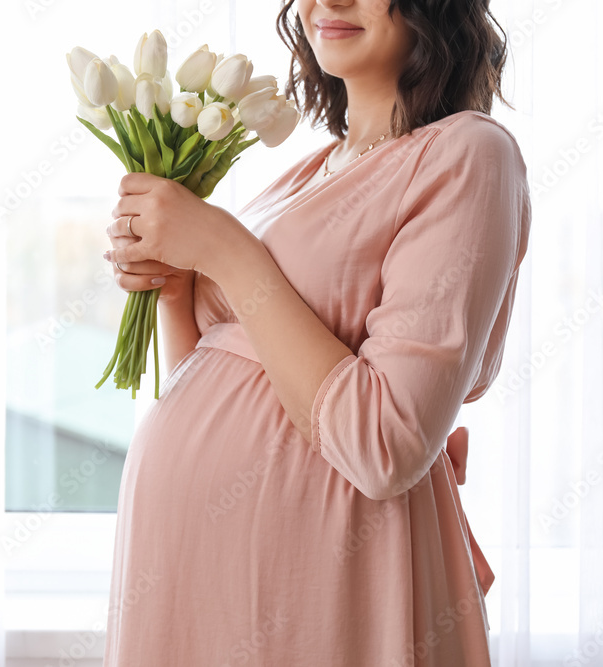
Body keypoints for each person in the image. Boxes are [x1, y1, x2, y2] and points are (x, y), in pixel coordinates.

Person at [100, 0, 530, 663]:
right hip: (194, 579)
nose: (328, 2)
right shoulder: (304, 175)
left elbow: (385, 441)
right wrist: (174, 283)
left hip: (319, 586)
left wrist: (220, 247)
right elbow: (217, 372)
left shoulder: (468, 155)